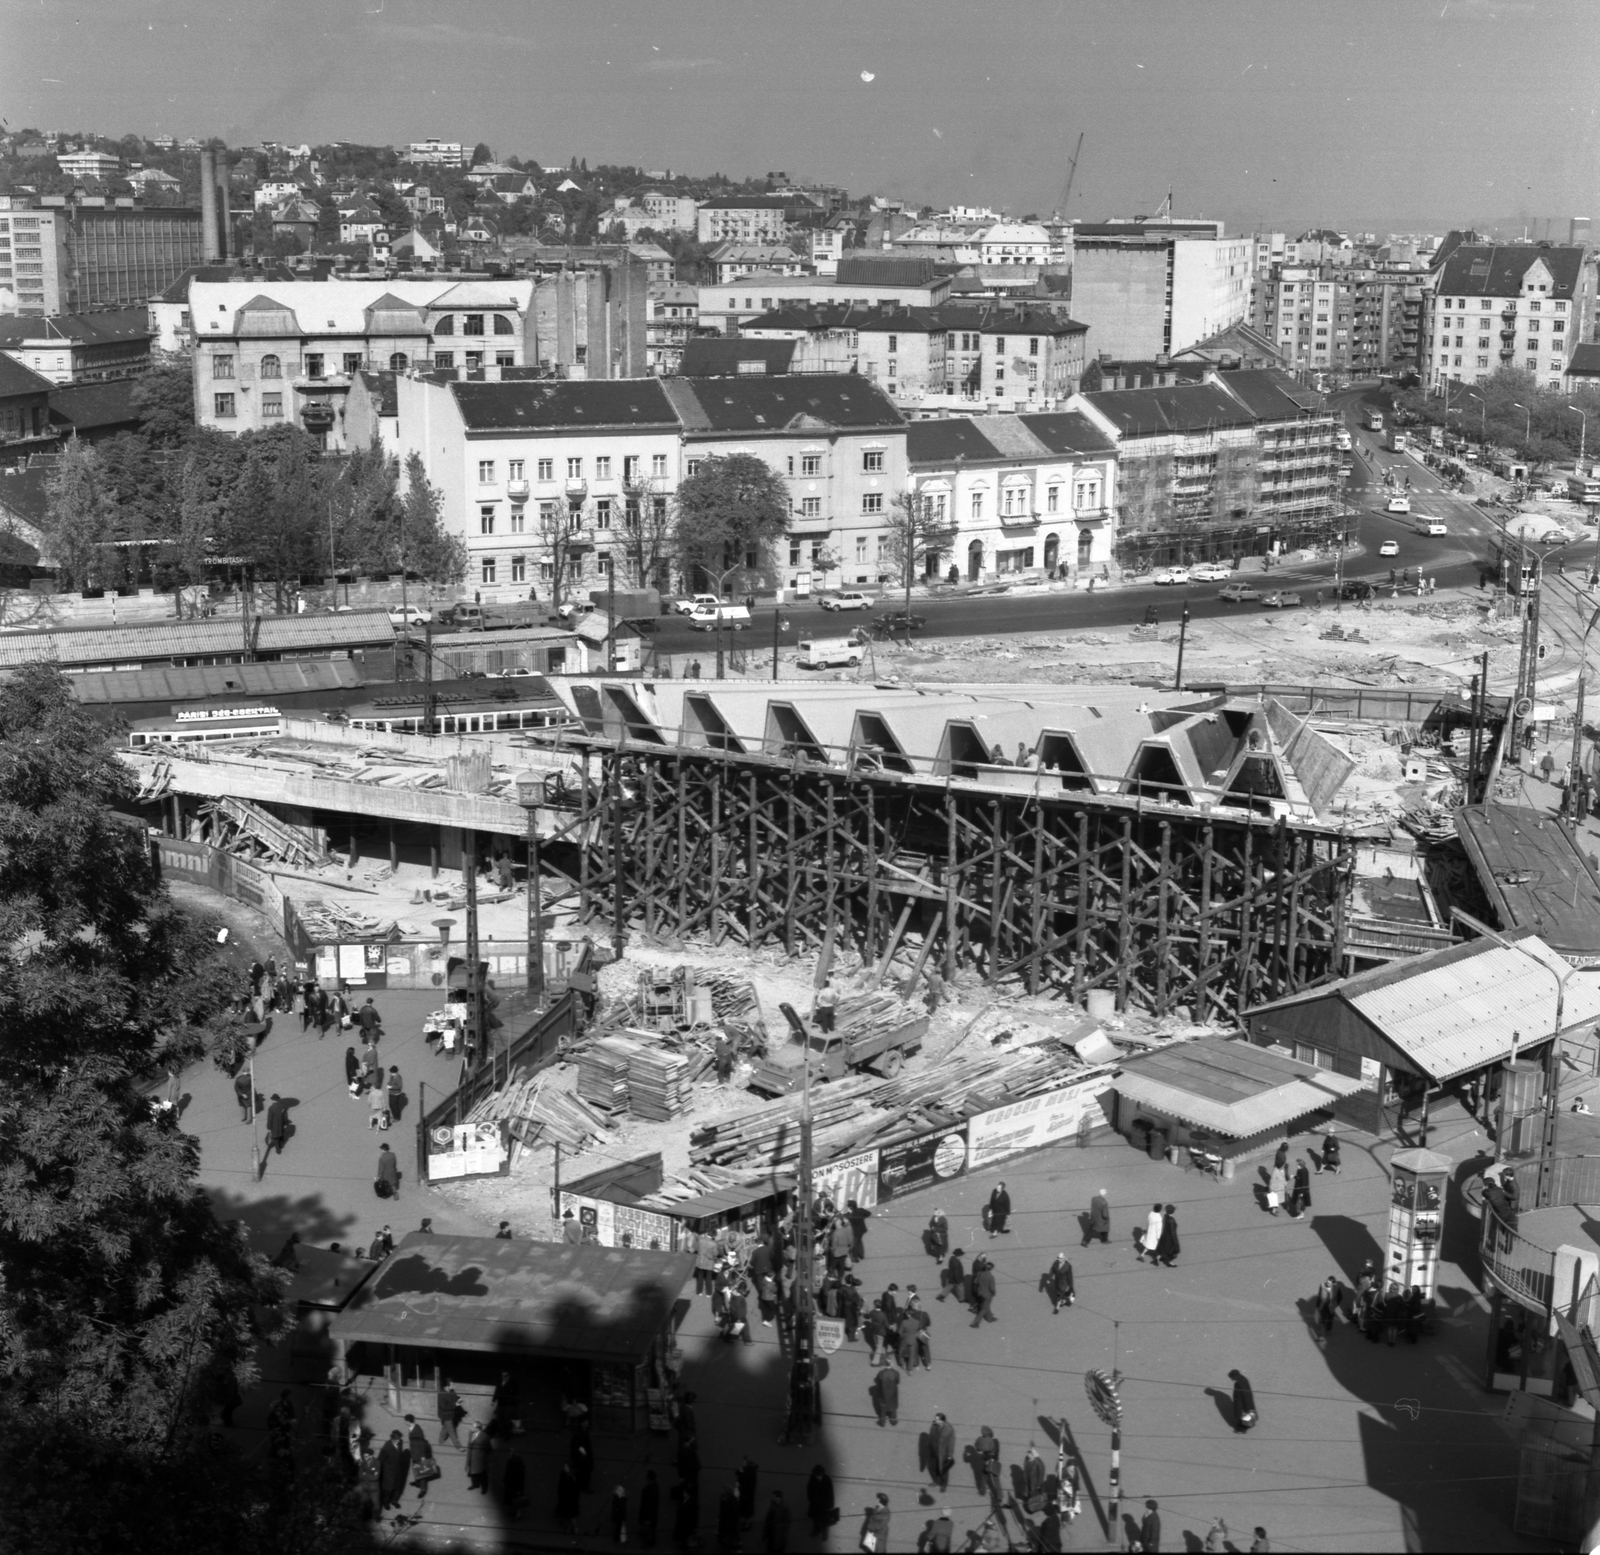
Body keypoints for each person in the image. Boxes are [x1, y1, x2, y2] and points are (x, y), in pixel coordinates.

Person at [377, 1429, 411, 1511]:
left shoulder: (400, 1442)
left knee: (397, 1487)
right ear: (392, 1439)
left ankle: (394, 1501)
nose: (398, 1441)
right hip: (388, 1472)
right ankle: (386, 1503)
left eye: (399, 1439)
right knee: (388, 1489)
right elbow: (380, 1460)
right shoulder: (386, 1448)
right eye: (396, 1440)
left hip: (397, 1470)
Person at [805, 1465, 836, 1538]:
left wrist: (831, 1505)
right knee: (815, 1518)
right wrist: (810, 1498)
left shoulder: (827, 1479)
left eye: (818, 1474)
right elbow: (809, 1488)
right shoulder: (812, 1477)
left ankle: (824, 1533)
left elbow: (830, 1493)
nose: (816, 1476)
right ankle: (817, 1530)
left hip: (824, 1504)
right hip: (815, 1503)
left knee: (824, 1519)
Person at [973, 1425, 1001, 1502]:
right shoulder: (995, 1441)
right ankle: (1000, 1496)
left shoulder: (983, 1442)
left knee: (984, 1478)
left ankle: (982, 1491)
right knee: (996, 1480)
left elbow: (978, 1449)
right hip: (995, 1462)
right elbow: (997, 1452)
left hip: (987, 1463)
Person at [928, 1411, 956, 1490]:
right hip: (934, 1451)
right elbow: (931, 1436)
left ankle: (944, 1484)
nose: (935, 1420)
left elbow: (951, 1442)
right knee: (934, 1468)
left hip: (943, 1453)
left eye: (937, 1419)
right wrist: (929, 1447)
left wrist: (950, 1455)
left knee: (943, 1470)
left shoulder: (949, 1429)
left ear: (942, 1421)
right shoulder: (934, 1425)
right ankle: (936, 1481)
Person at [871, 1361, 900, 1427]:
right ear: (891, 1364)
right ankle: (893, 1421)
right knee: (893, 1407)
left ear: (885, 1364)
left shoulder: (881, 1373)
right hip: (893, 1392)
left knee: (882, 1407)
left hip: (883, 1392)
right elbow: (897, 1381)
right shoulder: (895, 1373)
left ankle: (882, 1422)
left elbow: (878, 1381)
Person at [763, 1489, 791, 1555]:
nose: (772, 1498)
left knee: (777, 1547)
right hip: (772, 1530)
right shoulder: (773, 1503)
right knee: (771, 1545)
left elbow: (788, 1520)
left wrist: (780, 1527)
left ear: (778, 1497)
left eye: (773, 1496)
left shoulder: (785, 1507)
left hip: (778, 1533)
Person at [554, 1463, 581, 1532]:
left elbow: (575, 1491)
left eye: (566, 1467)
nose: (564, 1468)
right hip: (564, 1497)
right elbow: (561, 1484)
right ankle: (569, 1526)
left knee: (571, 1515)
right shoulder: (564, 1473)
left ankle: (575, 1527)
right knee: (566, 1514)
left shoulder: (574, 1478)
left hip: (571, 1499)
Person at [970, 1260, 997, 1327]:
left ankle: (989, 1318)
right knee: (984, 1309)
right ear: (991, 1269)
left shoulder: (980, 1274)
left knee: (986, 1305)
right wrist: (993, 1293)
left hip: (980, 1293)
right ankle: (975, 1323)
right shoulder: (991, 1277)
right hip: (987, 1295)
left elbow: (975, 1282)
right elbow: (992, 1288)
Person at [437, 1377, 462, 1447]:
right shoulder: (441, 1394)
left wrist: (458, 1398)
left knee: (445, 1428)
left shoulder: (451, 1391)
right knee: (451, 1431)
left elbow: (455, 1396)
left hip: (451, 1413)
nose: (453, 1386)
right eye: (452, 1385)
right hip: (445, 1414)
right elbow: (444, 1406)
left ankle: (441, 1440)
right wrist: (455, 1404)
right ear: (446, 1386)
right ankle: (458, 1446)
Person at [639, 1468, 661, 1547]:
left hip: (649, 1513)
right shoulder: (654, 1486)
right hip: (651, 1513)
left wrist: (647, 1517)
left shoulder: (650, 1489)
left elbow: (649, 1504)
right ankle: (650, 1540)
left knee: (650, 1528)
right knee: (651, 1527)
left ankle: (649, 1542)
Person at [717, 1483, 741, 1551]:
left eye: (723, 1490)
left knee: (728, 1544)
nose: (722, 1491)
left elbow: (732, 1519)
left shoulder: (732, 1503)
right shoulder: (727, 1499)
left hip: (729, 1529)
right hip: (727, 1529)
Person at [736, 1457, 759, 1530]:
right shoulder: (749, 1471)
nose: (742, 1464)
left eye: (744, 1462)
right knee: (746, 1511)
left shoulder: (749, 1472)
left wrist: (740, 1472)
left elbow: (743, 1480)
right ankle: (747, 1524)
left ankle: (747, 1525)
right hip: (746, 1495)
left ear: (748, 1464)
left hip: (746, 1495)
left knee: (746, 1511)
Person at [695, 1229, 719, 1295]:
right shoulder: (714, 1244)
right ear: (713, 1236)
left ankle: (699, 1292)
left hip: (701, 1261)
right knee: (709, 1278)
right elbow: (716, 1254)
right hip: (709, 1262)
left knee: (700, 1277)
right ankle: (708, 1293)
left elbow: (697, 1248)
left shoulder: (700, 1240)